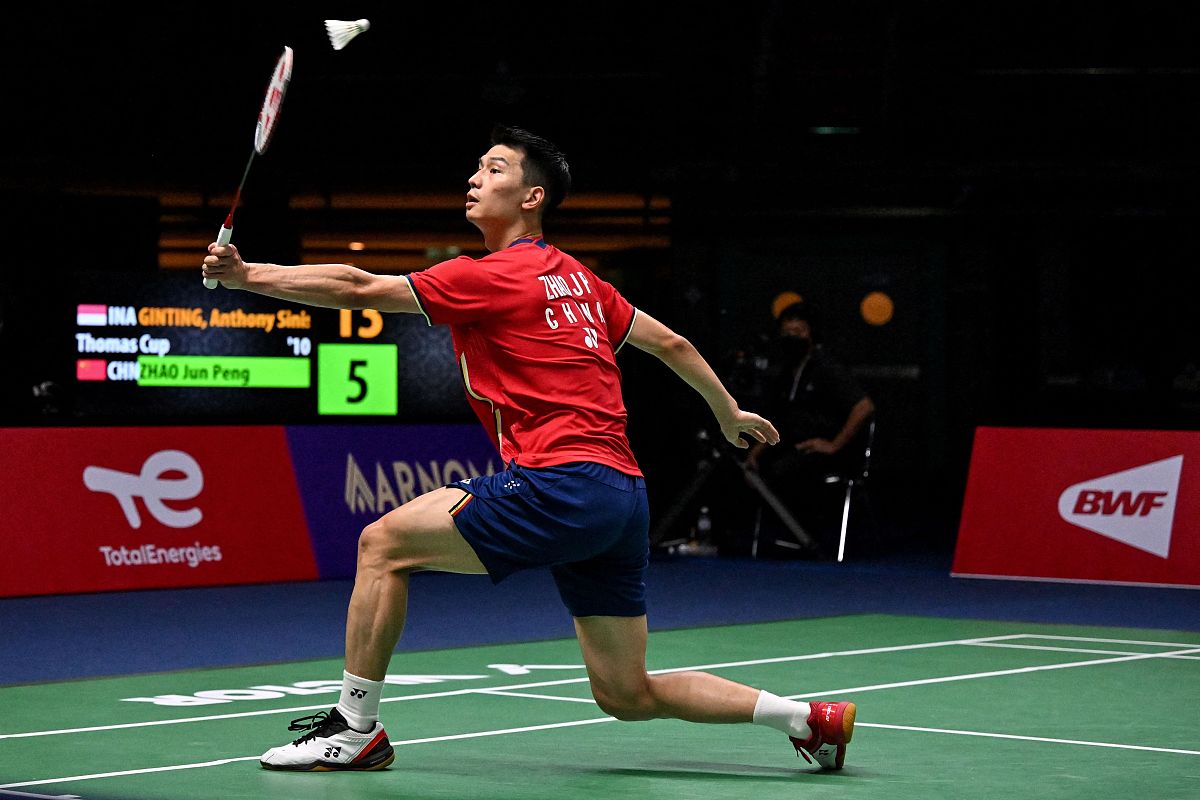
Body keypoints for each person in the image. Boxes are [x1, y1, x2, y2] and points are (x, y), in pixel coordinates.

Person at [202, 125, 856, 773]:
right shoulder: (582, 282)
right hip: (622, 497)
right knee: (626, 693)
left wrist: (247, 275)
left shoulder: (490, 275)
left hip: (559, 481)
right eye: (477, 167)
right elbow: (671, 344)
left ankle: (353, 728)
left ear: (532, 196)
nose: (474, 178)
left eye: (493, 169)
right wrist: (727, 411)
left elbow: (357, 288)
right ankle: (806, 719)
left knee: (382, 545)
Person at [745, 300, 876, 553]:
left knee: (786, 470)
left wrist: (834, 444)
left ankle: (805, 538)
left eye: (798, 331)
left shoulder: (827, 368)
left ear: (812, 334)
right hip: (794, 446)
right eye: (786, 333)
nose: (792, 338)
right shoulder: (787, 373)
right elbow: (781, 420)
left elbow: (864, 407)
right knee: (753, 468)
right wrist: (756, 452)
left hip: (830, 452)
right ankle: (785, 536)